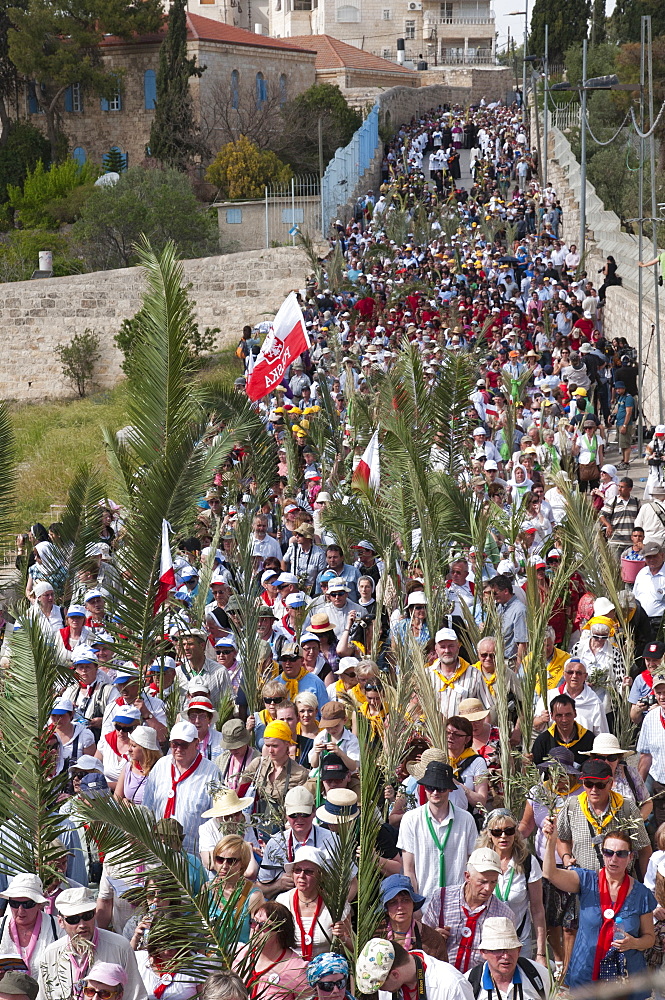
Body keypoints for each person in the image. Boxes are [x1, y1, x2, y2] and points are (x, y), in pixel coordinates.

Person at [543, 817, 655, 993]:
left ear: (631, 857)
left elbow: (650, 938)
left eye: (621, 854)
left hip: (628, 979)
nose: (614, 858)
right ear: (602, 854)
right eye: (609, 852)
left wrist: (634, 942)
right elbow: (550, 874)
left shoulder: (642, 893)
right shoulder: (587, 880)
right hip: (586, 975)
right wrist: (551, 840)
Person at [38, 887, 145, 1000]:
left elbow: (136, 995)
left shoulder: (120, 947)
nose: (82, 924)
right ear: (60, 922)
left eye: (87, 916)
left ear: (94, 914)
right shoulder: (51, 954)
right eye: (73, 919)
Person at [397, 760, 478, 907]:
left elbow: (472, 865)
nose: (435, 792)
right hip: (424, 903)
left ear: (450, 789)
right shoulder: (411, 819)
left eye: (440, 788)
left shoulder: (466, 819)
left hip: (458, 904)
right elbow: (408, 870)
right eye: (430, 787)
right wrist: (415, 908)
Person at [421, 848, 516, 971]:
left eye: (493, 882)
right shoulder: (442, 898)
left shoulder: (504, 915)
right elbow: (420, 938)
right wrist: (433, 937)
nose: (488, 888)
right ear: (467, 876)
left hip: (478, 984)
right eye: (482, 882)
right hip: (441, 978)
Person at [555, 759, 651, 876]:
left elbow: (644, 848)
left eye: (600, 785)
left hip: (620, 884)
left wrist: (648, 885)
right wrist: (566, 859)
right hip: (584, 884)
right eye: (589, 784)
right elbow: (562, 839)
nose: (594, 790)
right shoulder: (572, 805)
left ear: (610, 784)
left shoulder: (626, 807)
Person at [475, 811, 546, 960]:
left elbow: (537, 909)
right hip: (485, 942)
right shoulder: (478, 861)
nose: (503, 836)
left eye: (509, 831)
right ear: (488, 833)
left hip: (518, 942)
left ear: (515, 833)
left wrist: (541, 953)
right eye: (497, 832)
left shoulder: (528, 862)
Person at [142, 722, 220, 854]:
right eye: (174, 744)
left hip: (193, 854)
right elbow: (147, 807)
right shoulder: (161, 765)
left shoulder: (211, 772)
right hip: (159, 851)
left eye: (183, 744)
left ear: (196, 743)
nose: (178, 749)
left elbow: (216, 818)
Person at [257, 786, 335, 896]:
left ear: (314, 812)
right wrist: (278, 885)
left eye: (304, 814)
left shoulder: (331, 840)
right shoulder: (275, 843)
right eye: (293, 815)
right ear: (285, 815)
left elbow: (351, 882)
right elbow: (259, 887)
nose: (299, 819)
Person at [276, 846, 351, 960]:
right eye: (297, 870)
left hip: (325, 973)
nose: (301, 876)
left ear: (320, 875)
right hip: (289, 972)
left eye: (308, 872)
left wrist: (343, 937)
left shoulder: (337, 905)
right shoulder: (282, 901)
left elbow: (354, 949)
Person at [355, 937, 474, 1000]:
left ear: (395, 975)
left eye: (381, 986)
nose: (381, 990)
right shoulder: (390, 980)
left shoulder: (452, 985)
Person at [465, 917, 550, 1000]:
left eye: (510, 949)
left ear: (519, 950)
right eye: (498, 950)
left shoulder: (538, 974)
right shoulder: (468, 983)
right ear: (483, 952)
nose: (505, 956)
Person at [0, 874, 60, 979]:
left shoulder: (57, 928)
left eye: (28, 904)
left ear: (39, 904)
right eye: (14, 903)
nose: (20, 910)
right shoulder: (1, 926)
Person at [205, 835, 263, 945]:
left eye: (231, 861)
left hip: (241, 958)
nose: (224, 865)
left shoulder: (253, 895)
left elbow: (258, 937)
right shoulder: (207, 889)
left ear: (243, 864)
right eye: (219, 859)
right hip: (212, 957)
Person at [377, 874, 447, 960]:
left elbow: (442, 972)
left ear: (413, 903)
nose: (400, 907)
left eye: (405, 900)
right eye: (393, 902)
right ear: (386, 908)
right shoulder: (374, 934)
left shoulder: (433, 940)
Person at [531, 693, 595, 765]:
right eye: (559, 715)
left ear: (575, 713)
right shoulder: (543, 740)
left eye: (568, 714)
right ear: (552, 716)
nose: (564, 720)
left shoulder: (588, 738)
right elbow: (533, 770)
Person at [637, 670, 665, 827]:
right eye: (658, 692)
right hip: (660, 786)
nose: (662, 697)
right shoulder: (650, 719)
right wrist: (638, 787)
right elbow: (645, 756)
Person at [114, 726, 161, 806]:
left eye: (134, 746)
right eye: (130, 745)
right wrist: (123, 802)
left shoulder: (159, 770)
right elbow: (117, 798)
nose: (129, 749)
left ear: (145, 750)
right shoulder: (129, 767)